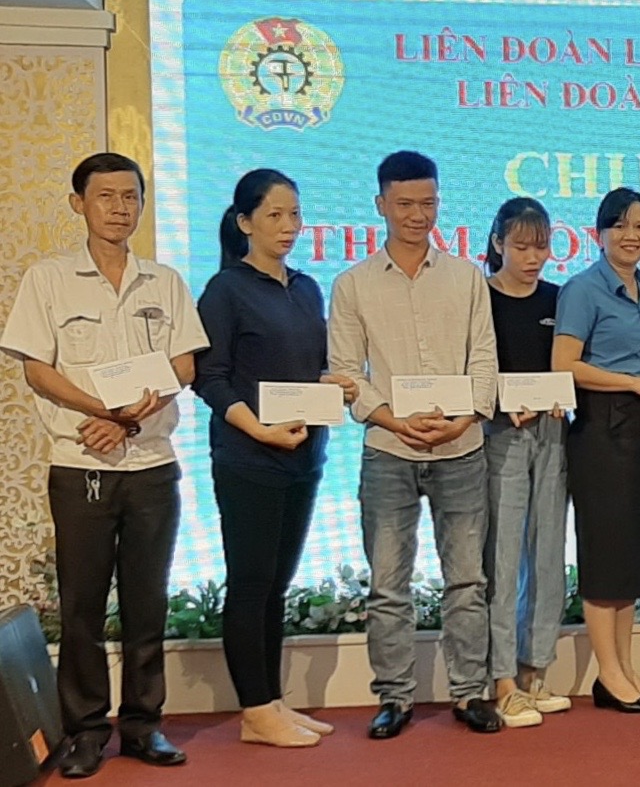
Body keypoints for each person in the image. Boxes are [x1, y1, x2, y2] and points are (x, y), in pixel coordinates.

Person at [1, 153, 208, 778]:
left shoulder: (164, 281)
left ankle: (144, 725)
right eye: (106, 196)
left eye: (131, 197)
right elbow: (37, 368)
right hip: (80, 464)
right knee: (83, 607)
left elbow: (184, 366)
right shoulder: (50, 279)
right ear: (79, 204)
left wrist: (127, 420)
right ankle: (86, 731)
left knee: (147, 604)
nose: (120, 208)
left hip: (151, 466)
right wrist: (101, 410)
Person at [327, 151, 502, 737]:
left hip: (461, 447)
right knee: (387, 583)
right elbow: (346, 372)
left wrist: (465, 417)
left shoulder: (466, 277)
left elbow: (484, 357)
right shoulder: (352, 284)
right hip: (389, 449)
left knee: (467, 580)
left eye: (427, 203)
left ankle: (470, 692)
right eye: (404, 204)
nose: (417, 215)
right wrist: (394, 419)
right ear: (381, 205)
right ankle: (395, 697)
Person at [192, 169, 358, 746]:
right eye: (274, 216)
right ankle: (255, 710)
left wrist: (332, 383)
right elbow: (210, 379)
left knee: (277, 585)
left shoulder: (306, 287)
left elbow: (302, 368)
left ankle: (272, 701)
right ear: (245, 222)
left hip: (304, 457)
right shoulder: (225, 290)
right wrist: (259, 430)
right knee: (251, 581)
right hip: (248, 458)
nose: (288, 226)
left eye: (295, 214)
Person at [552, 187, 640, 713]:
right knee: (604, 555)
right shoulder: (582, 289)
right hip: (600, 430)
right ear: (599, 233)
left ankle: (623, 669)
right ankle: (609, 673)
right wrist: (632, 383)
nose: (630, 235)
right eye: (619, 225)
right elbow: (565, 366)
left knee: (631, 555)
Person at [481, 197, 571, 727]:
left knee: (548, 552)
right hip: (502, 433)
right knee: (504, 557)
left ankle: (535, 670)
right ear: (498, 244)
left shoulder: (560, 299)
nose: (533, 258)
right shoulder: (480, 297)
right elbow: (470, 365)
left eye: (541, 247)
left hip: (553, 433)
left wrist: (562, 392)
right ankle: (502, 680)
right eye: (521, 246)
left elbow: (570, 364)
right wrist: (498, 402)